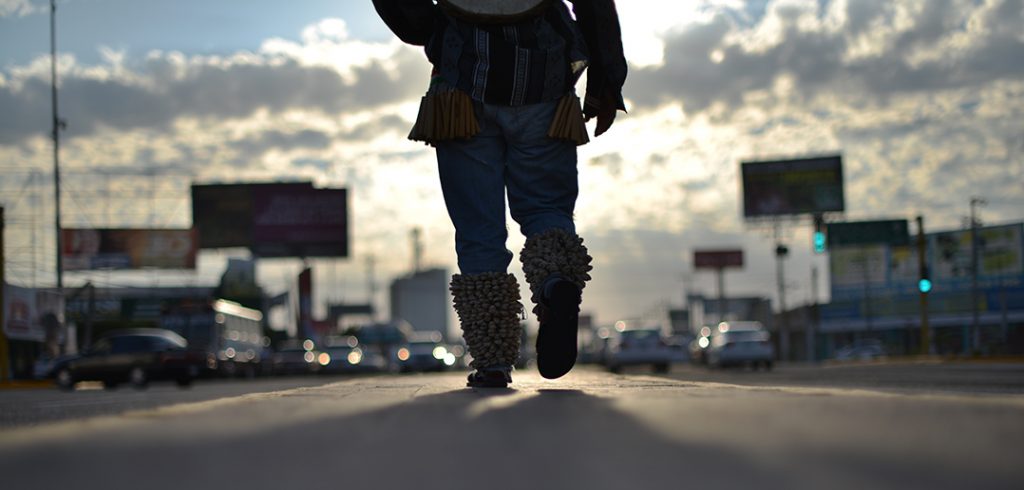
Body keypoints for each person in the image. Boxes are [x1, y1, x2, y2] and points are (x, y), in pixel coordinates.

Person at [373, 0, 627, 387]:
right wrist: (608, 79)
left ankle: (492, 361)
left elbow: (413, 23)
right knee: (547, 208)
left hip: (462, 83)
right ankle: (556, 281)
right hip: (545, 81)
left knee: (478, 230)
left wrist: (436, 28)